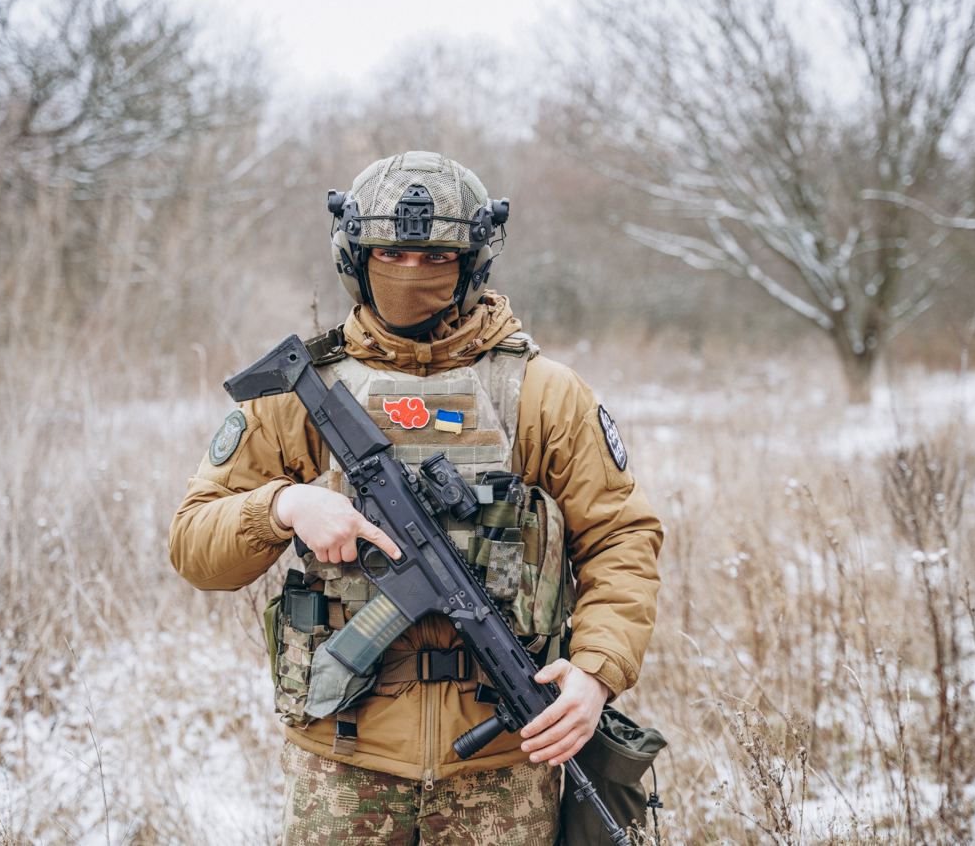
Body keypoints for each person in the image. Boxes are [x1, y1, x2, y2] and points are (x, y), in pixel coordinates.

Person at [169, 150, 662, 845]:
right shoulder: (300, 396)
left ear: (472, 262)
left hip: (504, 768)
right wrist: (283, 507)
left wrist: (595, 673)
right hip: (342, 763)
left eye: (436, 257)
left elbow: (621, 539)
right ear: (355, 258)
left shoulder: (540, 393)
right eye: (391, 254)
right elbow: (194, 545)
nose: (411, 272)